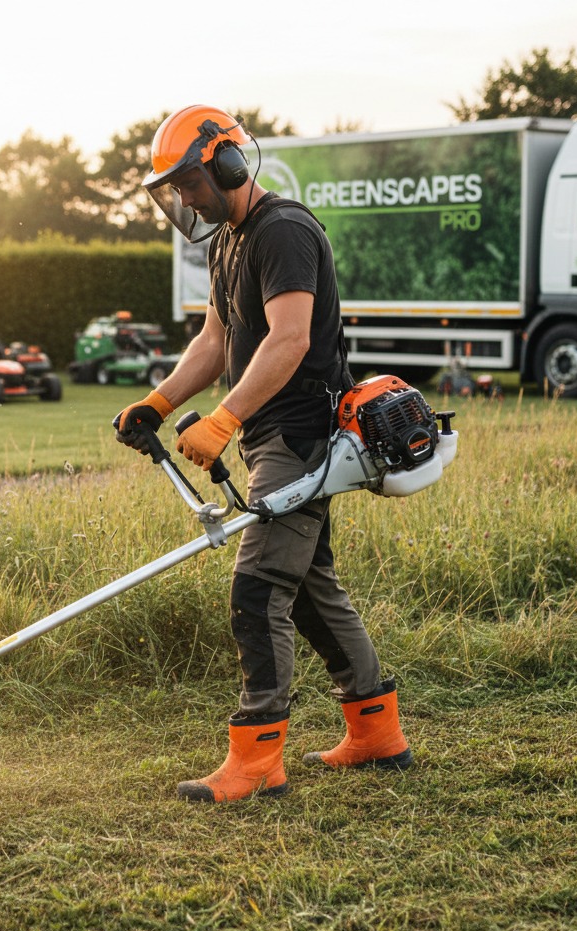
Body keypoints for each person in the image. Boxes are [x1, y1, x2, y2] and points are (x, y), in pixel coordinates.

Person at [115, 104, 412, 803]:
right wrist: (157, 404)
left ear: (227, 163)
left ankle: (257, 759)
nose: (187, 198)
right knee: (309, 588)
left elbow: (289, 339)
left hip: (302, 435)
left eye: (192, 182)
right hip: (271, 438)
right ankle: (376, 732)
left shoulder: (283, 231)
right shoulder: (228, 240)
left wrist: (224, 418)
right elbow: (216, 340)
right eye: (175, 189)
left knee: (258, 589)